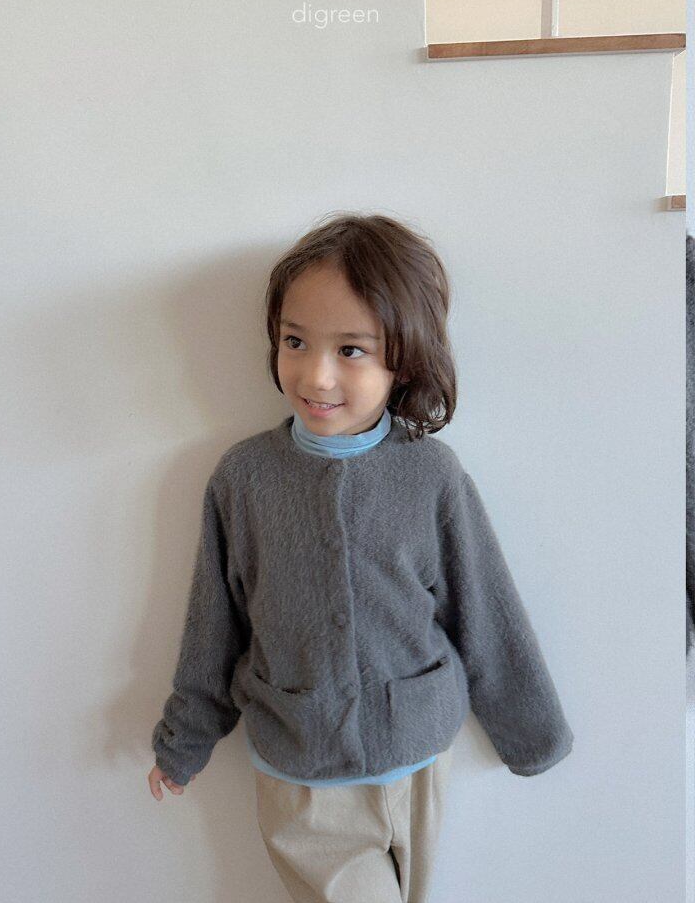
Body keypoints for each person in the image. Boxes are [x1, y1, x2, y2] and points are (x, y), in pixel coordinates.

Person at [147, 212, 574, 902]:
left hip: (419, 760)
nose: (316, 375)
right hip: (304, 779)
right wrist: (184, 739)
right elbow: (213, 626)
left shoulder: (430, 474)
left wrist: (532, 734)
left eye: (351, 349)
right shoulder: (244, 479)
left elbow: (484, 606)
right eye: (295, 341)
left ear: (402, 358)